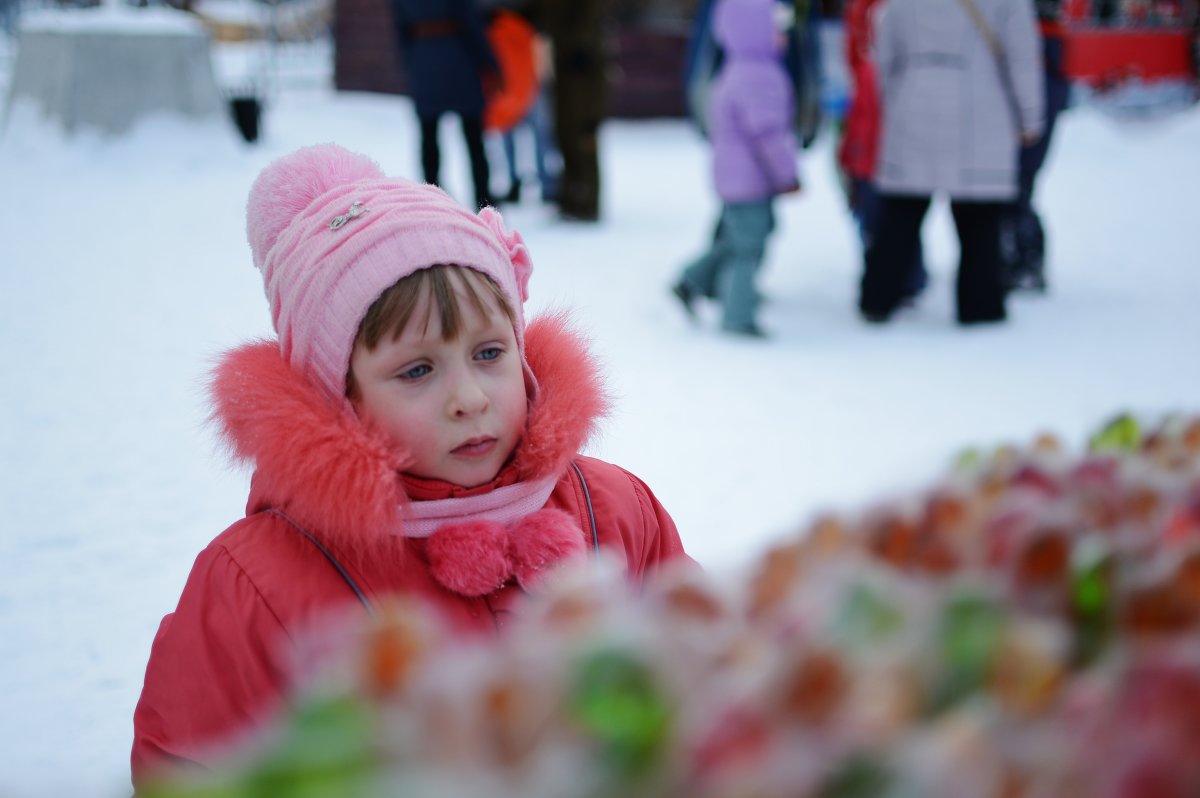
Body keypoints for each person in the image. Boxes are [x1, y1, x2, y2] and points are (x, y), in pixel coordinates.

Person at [129, 144, 692, 789]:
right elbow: (194, 769)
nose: (470, 398)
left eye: (488, 353)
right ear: (338, 395)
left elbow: (707, 690)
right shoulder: (257, 585)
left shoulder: (614, 513)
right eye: (417, 370)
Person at [859, 0, 1044, 325]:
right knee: (980, 223)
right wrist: (1030, 117)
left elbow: (884, 57)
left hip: (913, 106)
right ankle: (980, 307)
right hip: (982, 109)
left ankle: (878, 298)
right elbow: (1022, 58)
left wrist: (896, 101)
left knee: (900, 216)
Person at [671, 0, 801, 339]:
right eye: (777, 30)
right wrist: (787, 174)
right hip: (751, 179)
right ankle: (738, 314)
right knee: (748, 246)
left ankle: (692, 281)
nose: (783, 37)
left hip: (735, 177)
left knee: (735, 238)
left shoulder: (734, 69)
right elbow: (768, 134)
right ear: (754, 31)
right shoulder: (759, 76)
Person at [837, 0, 927, 306]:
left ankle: (902, 278)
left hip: (880, 154)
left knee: (889, 218)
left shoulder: (871, 66)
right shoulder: (872, 69)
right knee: (893, 216)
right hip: (881, 154)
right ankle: (905, 277)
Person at [390, 0, 499, 210]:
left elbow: (401, 30)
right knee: (474, 139)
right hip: (460, 62)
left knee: (429, 136)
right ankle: (484, 201)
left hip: (424, 63)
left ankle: (433, 200)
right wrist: (491, 65)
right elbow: (472, 24)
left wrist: (412, 64)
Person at [1003, 0, 1071, 292]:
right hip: (1031, 131)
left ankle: (1025, 263)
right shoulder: (1053, 39)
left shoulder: (1034, 40)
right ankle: (1023, 261)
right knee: (1020, 193)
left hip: (1025, 132)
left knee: (1017, 195)